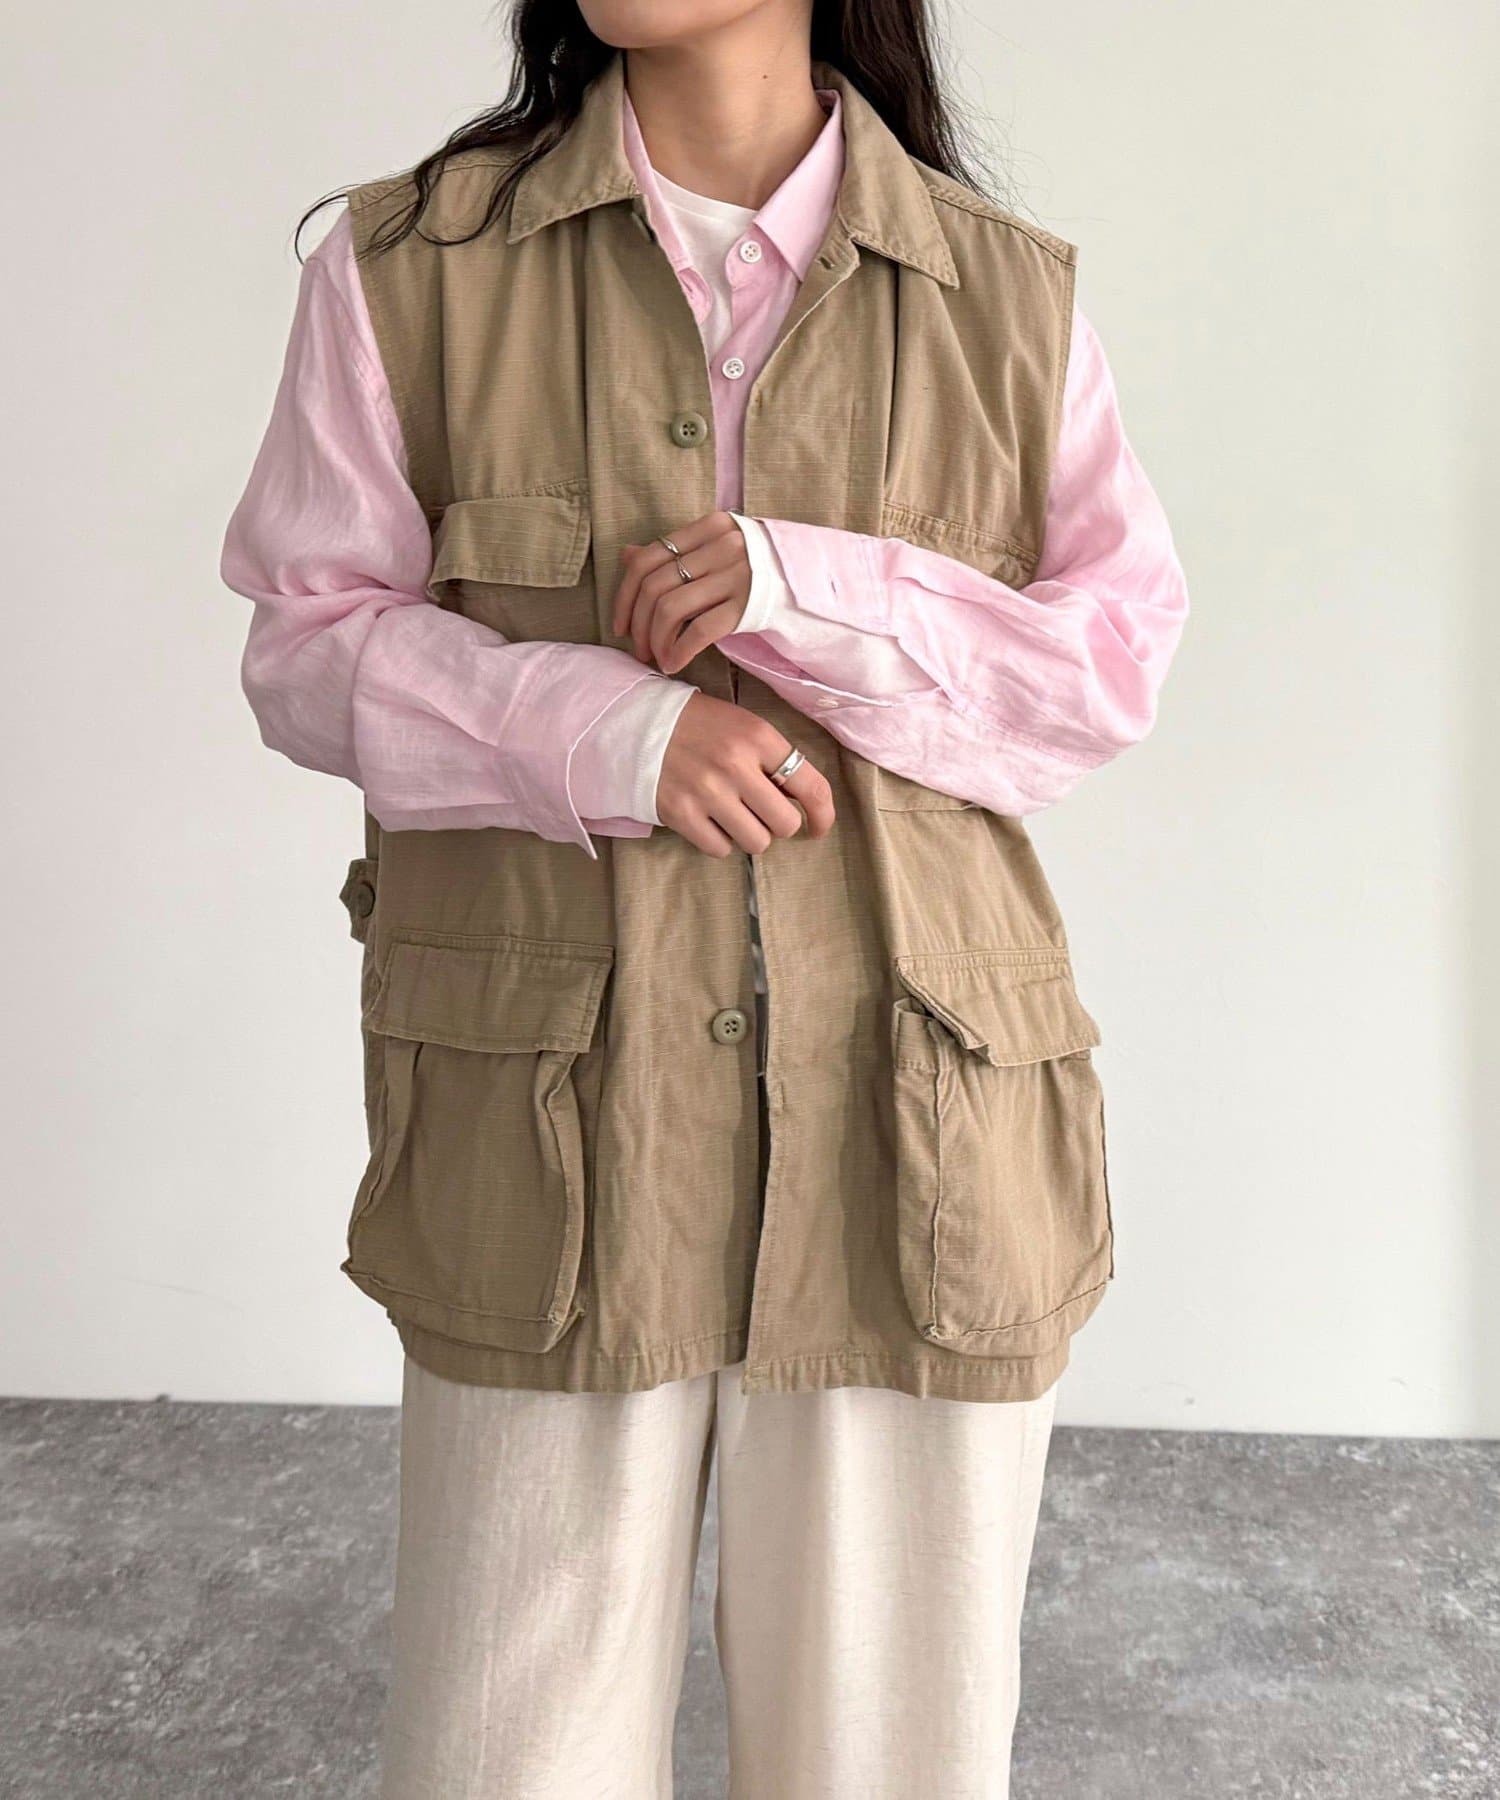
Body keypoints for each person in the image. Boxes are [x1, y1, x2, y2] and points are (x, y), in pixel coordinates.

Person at [222, 1, 1188, 1792]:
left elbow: (1101, 678)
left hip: (920, 1137)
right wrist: (607, 730)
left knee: (890, 1762)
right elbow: (304, 647)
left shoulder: (1003, 295)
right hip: (553, 1147)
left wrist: (806, 590)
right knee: (509, 1760)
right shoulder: (413, 268)